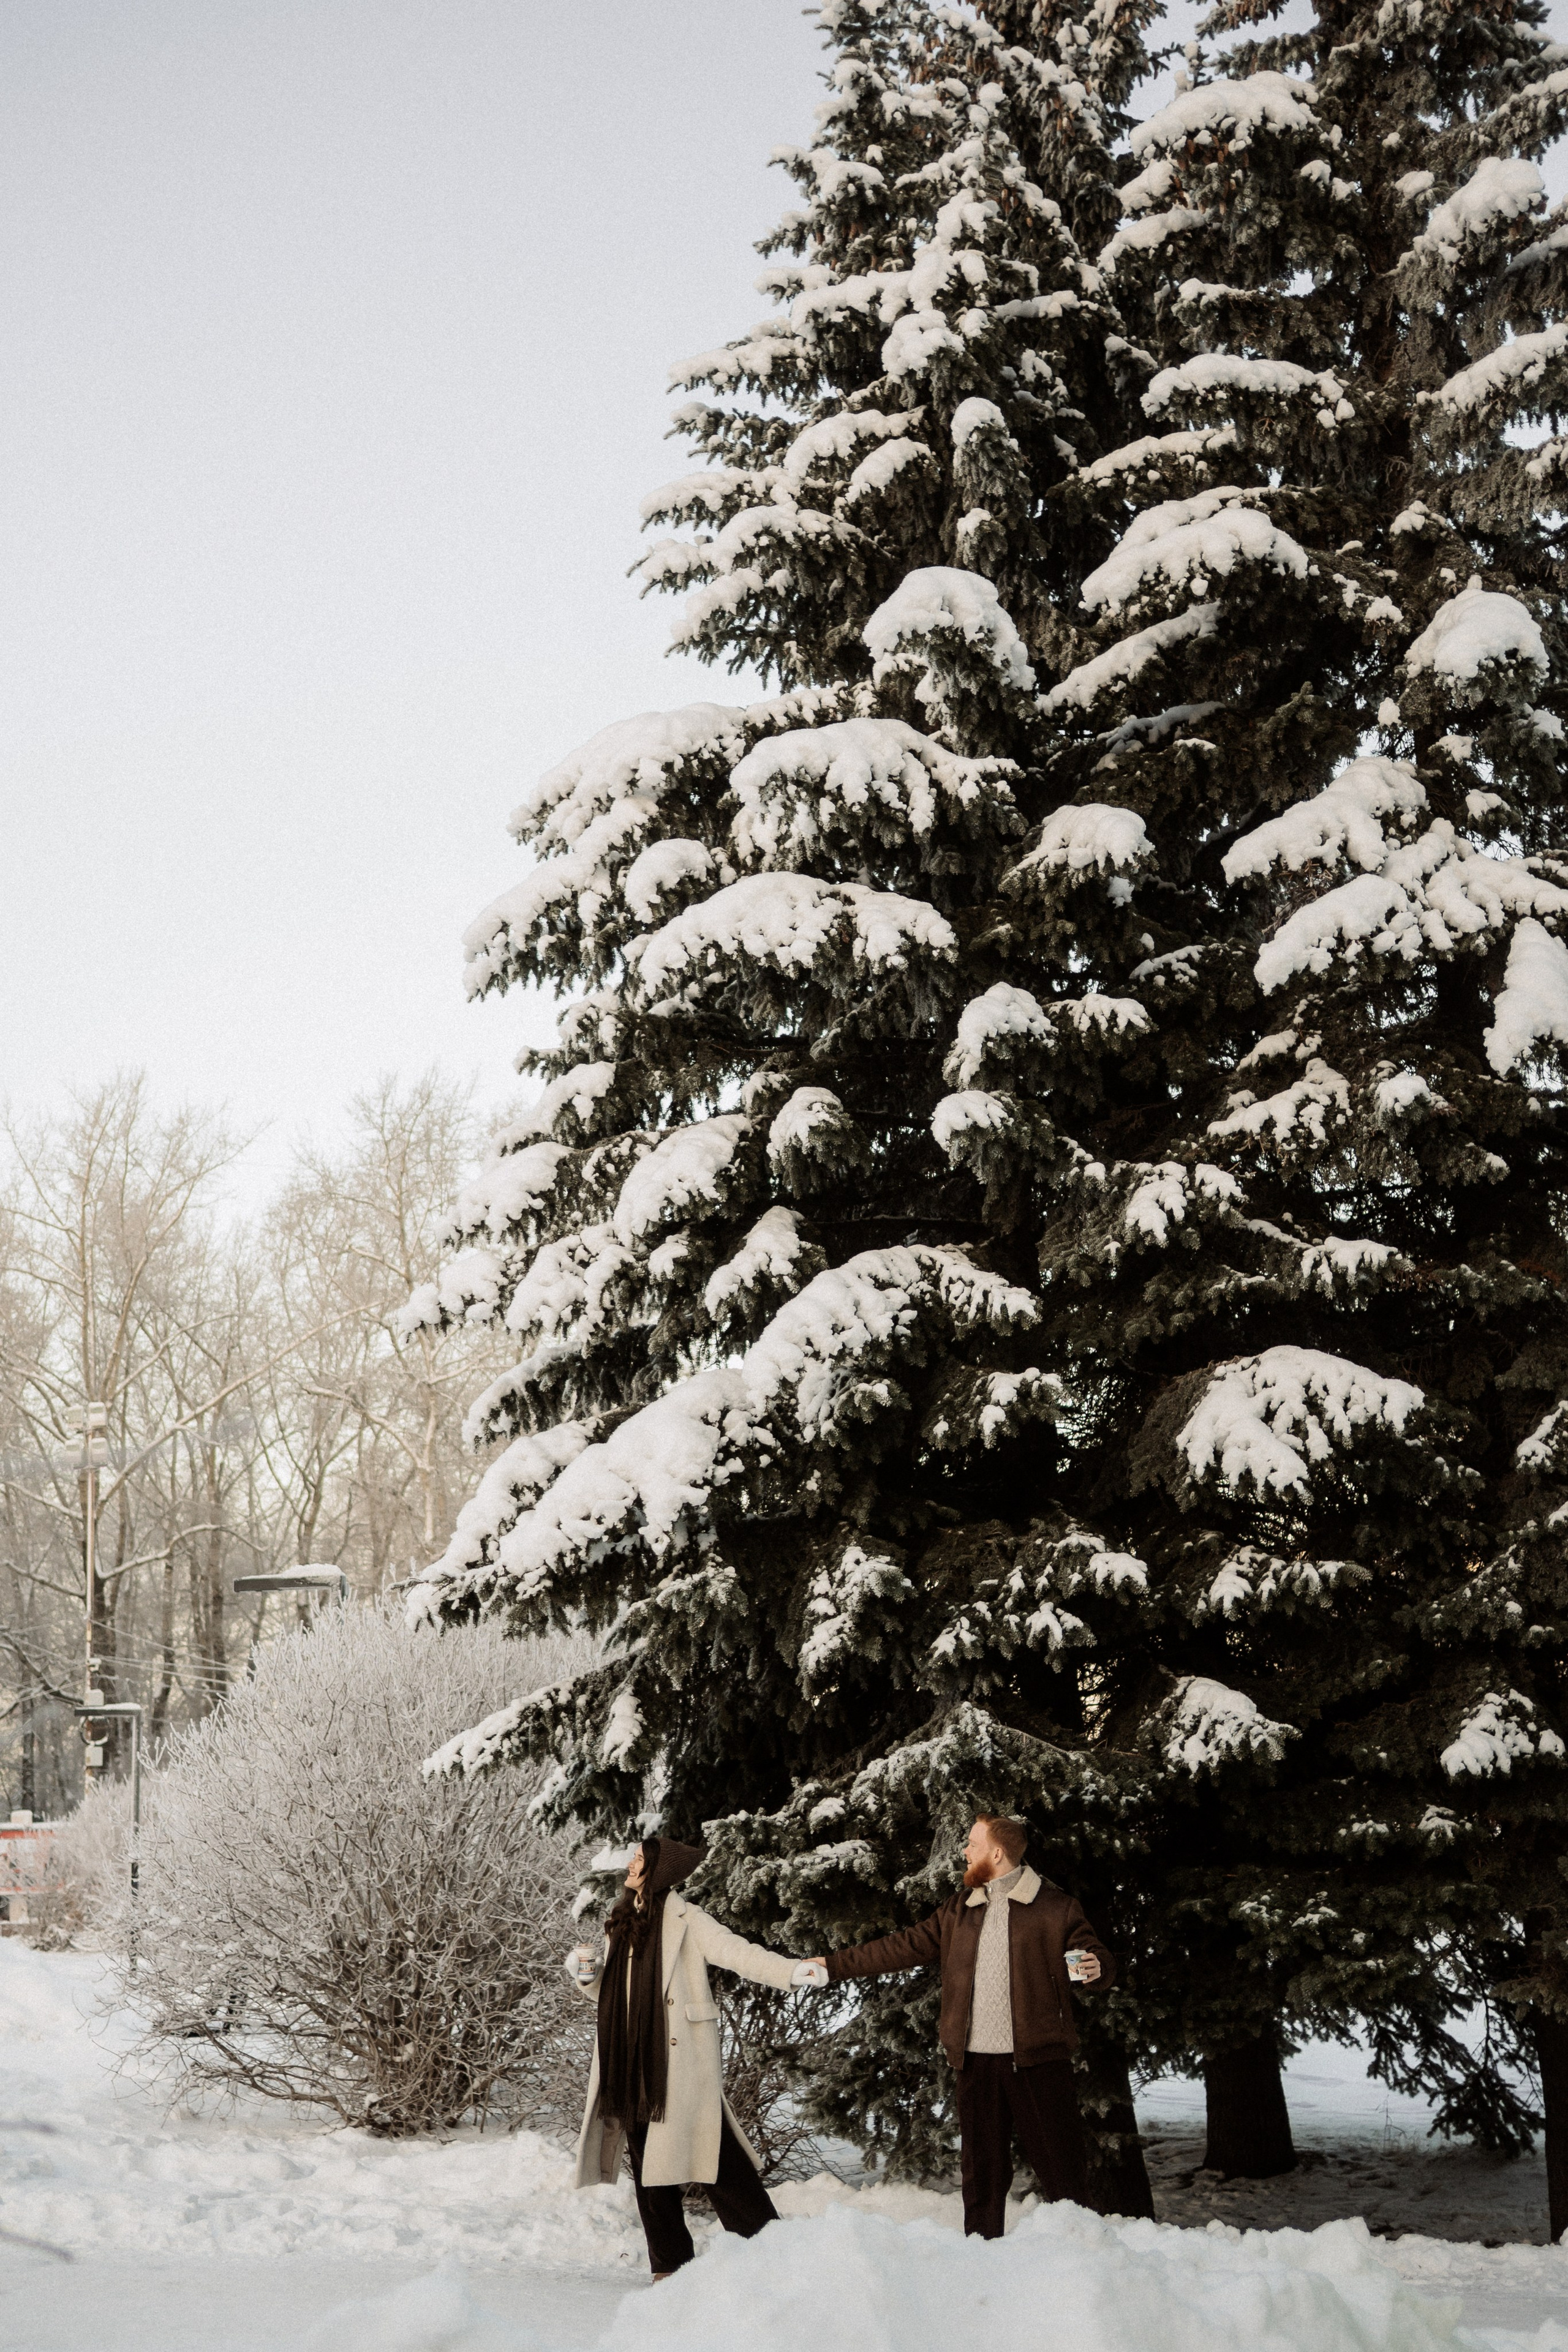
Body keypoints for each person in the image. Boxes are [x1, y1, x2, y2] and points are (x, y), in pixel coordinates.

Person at [808, 1813, 1115, 2239]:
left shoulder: (1054, 1907)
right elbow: (901, 1946)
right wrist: (834, 1965)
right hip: (975, 2063)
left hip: (1038, 2061)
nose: (965, 1851)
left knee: (1062, 2172)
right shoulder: (959, 1910)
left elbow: (1091, 1955)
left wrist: (1094, 1967)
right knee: (981, 2176)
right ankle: (982, 2260)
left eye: (972, 1843)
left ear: (996, 1852)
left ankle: (1083, 2263)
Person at [564, 1835, 827, 2280]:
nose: (631, 1864)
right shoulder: (622, 1918)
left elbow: (737, 1953)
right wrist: (586, 1975)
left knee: (718, 2159)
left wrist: (789, 1970)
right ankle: (669, 2270)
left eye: (641, 1859)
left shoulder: (689, 1920)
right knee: (651, 2173)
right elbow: (612, 1989)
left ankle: (775, 2255)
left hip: (677, 2064)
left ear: (660, 1871)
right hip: (629, 2062)